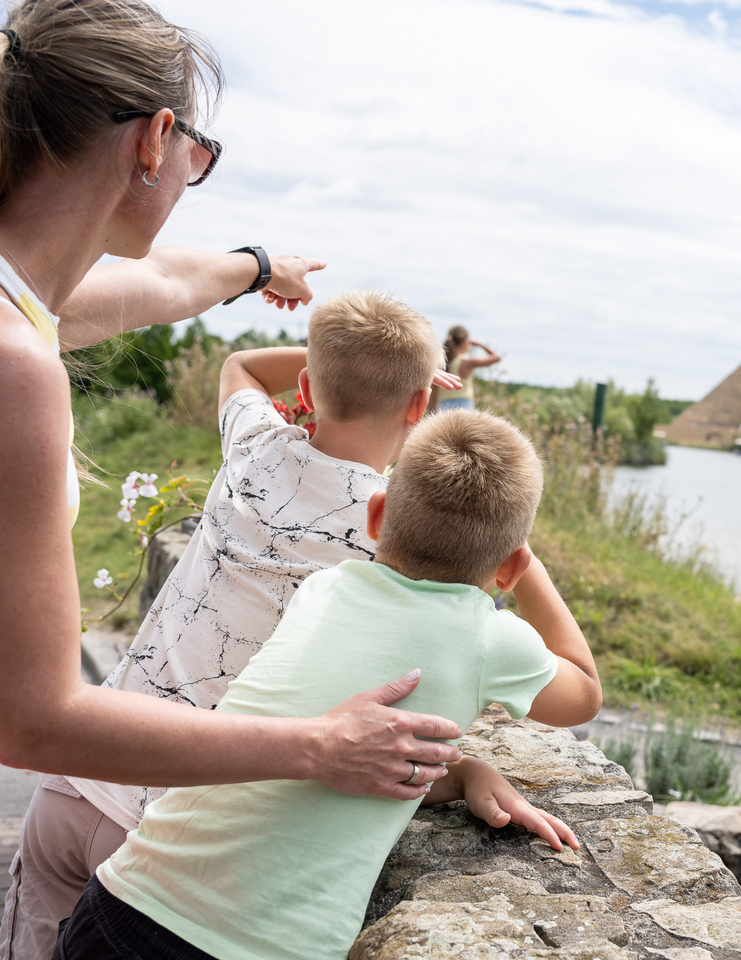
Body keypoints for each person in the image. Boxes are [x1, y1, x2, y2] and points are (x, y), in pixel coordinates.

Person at [0, 0, 467, 940]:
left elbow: (169, 285)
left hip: (67, 809)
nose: (190, 180)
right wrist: (321, 746)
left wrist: (258, 266)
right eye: (197, 159)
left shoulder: (28, 303)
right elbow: (31, 717)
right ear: (155, 140)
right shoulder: (17, 369)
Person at [0, 291, 473, 957]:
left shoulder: (254, 447)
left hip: (76, 780)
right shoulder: (392, 538)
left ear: (306, 388)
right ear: (420, 409)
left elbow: (241, 366)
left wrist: (337, 359)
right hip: (172, 827)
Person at [56, 408, 604, 960]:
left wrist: (463, 774)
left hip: (121, 899)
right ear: (508, 568)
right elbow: (583, 692)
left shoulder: (323, 589)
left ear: (377, 516)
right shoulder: (488, 637)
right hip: (253, 947)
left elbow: (341, 742)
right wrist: (526, 567)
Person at [431, 324, 502, 411]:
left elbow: (433, 394)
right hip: (464, 407)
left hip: (443, 407)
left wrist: (430, 412)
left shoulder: (439, 364)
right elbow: (497, 357)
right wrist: (479, 344)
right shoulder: (466, 362)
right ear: (465, 343)